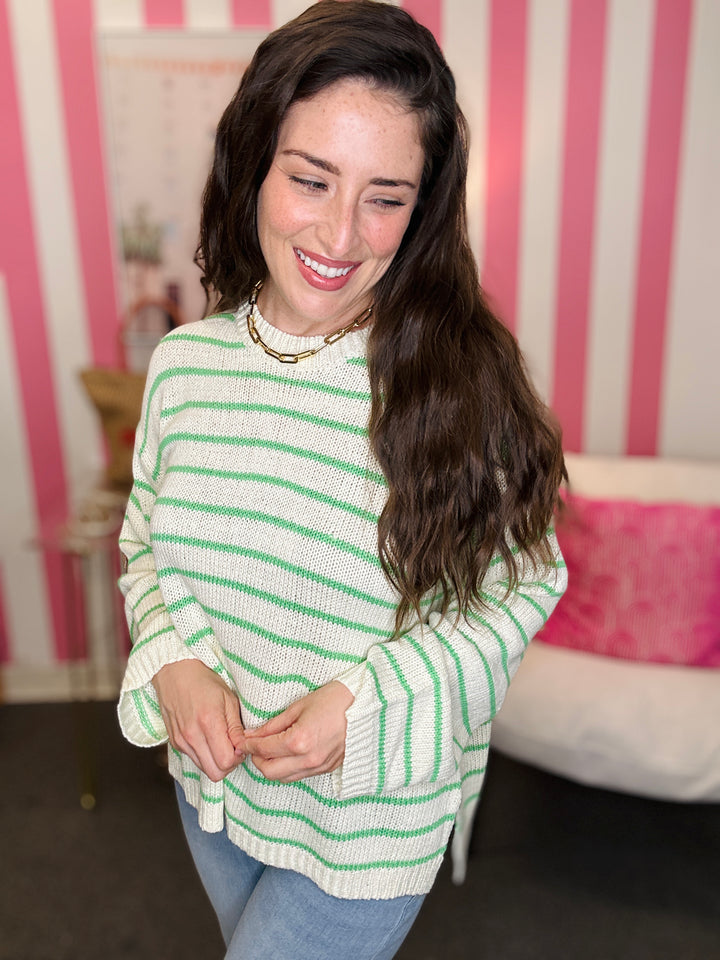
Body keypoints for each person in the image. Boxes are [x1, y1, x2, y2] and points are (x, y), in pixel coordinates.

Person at [117, 2, 567, 957]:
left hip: (367, 821)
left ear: (424, 207)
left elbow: (525, 582)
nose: (341, 231)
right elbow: (145, 541)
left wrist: (364, 704)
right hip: (215, 790)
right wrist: (175, 660)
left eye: (385, 195)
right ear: (254, 165)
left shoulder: (456, 381)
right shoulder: (185, 366)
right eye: (311, 178)